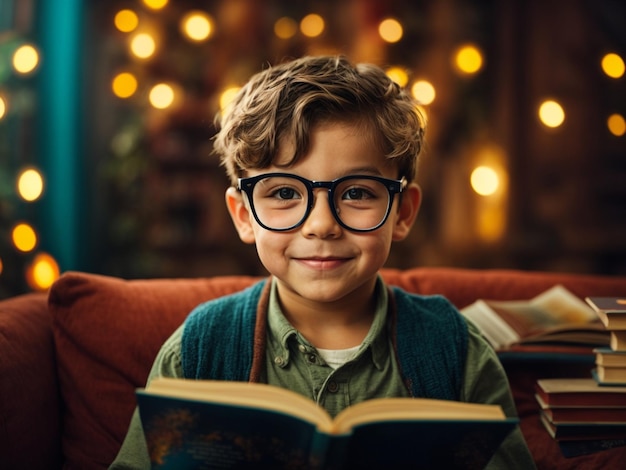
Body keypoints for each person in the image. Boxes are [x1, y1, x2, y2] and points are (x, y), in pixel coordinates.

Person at [110, 55, 535, 469]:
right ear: (243, 216)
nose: (321, 225)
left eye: (356, 193)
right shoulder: (197, 353)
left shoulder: (456, 352)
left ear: (402, 212)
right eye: (283, 193)